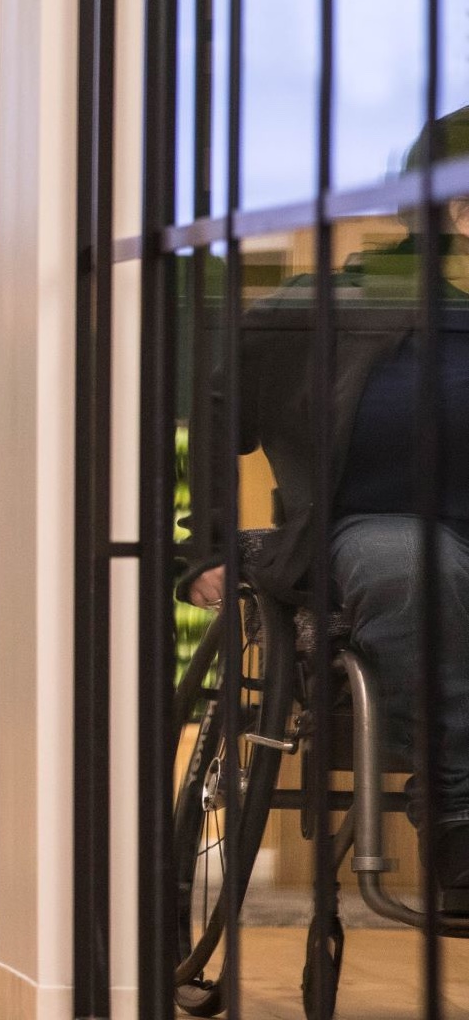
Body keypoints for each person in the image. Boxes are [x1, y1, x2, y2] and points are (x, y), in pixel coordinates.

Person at [190, 106, 469, 913]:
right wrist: (208, 541)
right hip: (376, 533)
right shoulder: (336, 305)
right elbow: (219, 402)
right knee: (414, 566)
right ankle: (456, 804)